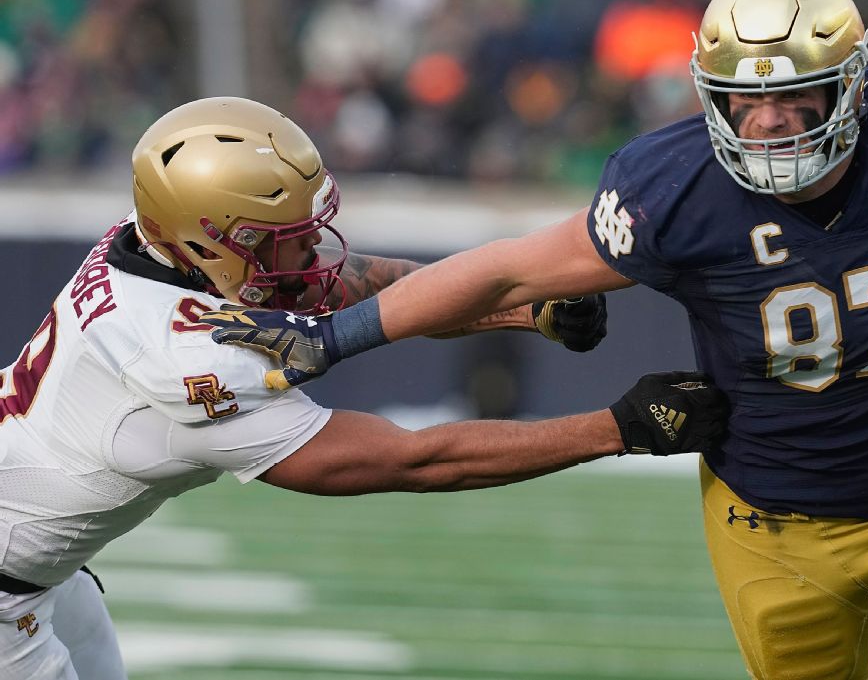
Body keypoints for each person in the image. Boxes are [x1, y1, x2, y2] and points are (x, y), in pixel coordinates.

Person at [204, 0, 868, 680]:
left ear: (854, 85)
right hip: (775, 528)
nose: (767, 127)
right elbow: (504, 268)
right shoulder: (672, 188)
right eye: (745, 104)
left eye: (797, 102)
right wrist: (337, 338)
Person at [0, 96, 729, 680]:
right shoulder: (187, 363)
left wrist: (523, 310)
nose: (313, 248)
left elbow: (361, 288)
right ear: (213, 240)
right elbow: (414, 460)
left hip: (39, 567)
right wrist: (618, 427)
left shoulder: (157, 240)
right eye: (283, 234)